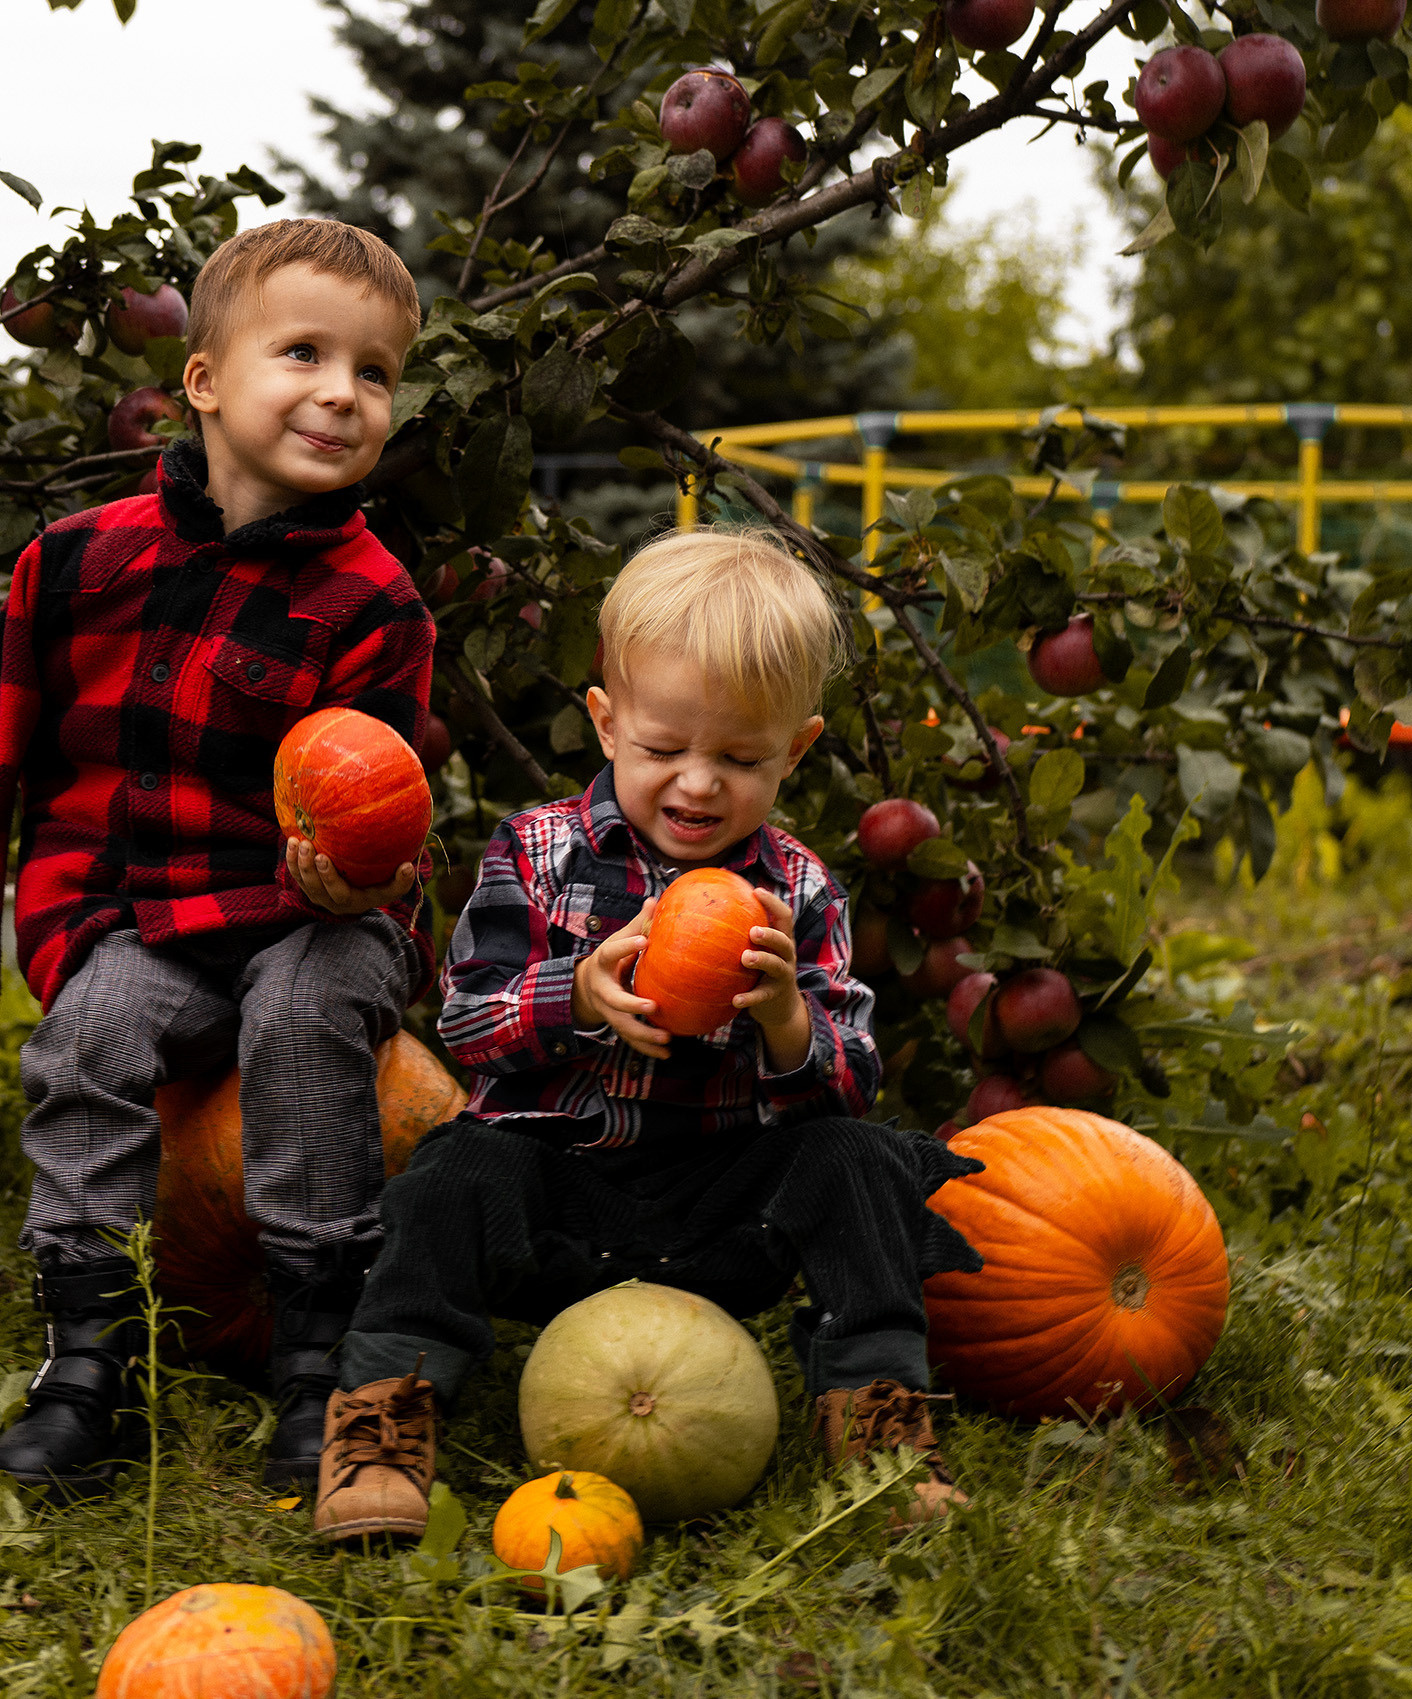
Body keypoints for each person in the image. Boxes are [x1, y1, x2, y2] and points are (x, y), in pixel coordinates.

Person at [312, 527, 987, 1543]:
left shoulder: (798, 891)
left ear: (796, 750)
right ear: (607, 723)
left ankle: (878, 1420)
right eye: (666, 749)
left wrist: (784, 1018)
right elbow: (463, 1019)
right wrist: (575, 996)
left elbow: (851, 1075)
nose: (699, 784)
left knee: (859, 1159)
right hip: (557, 1198)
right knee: (447, 1173)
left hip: (725, 1212)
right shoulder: (535, 852)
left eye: (740, 757)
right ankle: (382, 1427)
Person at [0, 219, 434, 1496]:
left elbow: (383, 812)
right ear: (202, 381)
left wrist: (355, 882)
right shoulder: (75, 564)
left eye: (371, 373)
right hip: (144, 920)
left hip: (312, 918)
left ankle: (319, 1356)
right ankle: (91, 1360)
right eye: (302, 352)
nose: (339, 393)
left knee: (308, 1013)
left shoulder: (374, 603)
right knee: (93, 1035)